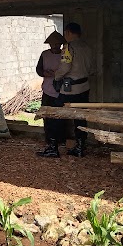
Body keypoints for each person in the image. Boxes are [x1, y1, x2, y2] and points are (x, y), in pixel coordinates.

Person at [53, 22, 95, 157]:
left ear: (68, 33)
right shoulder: (87, 47)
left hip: (70, 88)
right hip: (84, 86)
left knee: (57, 115)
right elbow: (92, 68)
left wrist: (56, 77)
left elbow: (65, 67)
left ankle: (53, 147)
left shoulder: (68, 47)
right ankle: (80, 146)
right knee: (81, 117)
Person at [36, 30, 66, 158]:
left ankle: (59, 141)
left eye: (57, 44)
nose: (54, 46)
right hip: (47, 90)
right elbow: (38, 69)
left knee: (59, 118)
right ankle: (50, 142)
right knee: (47, 117)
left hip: (61, 90)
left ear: (60, 44)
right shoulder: (44, 54)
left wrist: (57, 74)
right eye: (52, 44)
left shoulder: (65, 55)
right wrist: (45, 73)